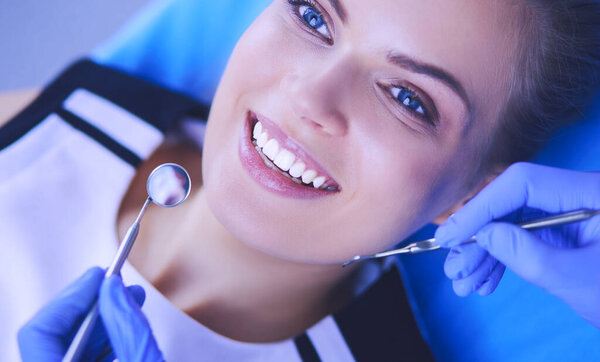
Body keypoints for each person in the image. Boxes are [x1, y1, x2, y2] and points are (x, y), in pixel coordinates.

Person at [3, 0, 600, 360]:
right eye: (314, 16)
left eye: (408, 99)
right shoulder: (59, 121)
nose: (310, 95)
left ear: (476, 194)